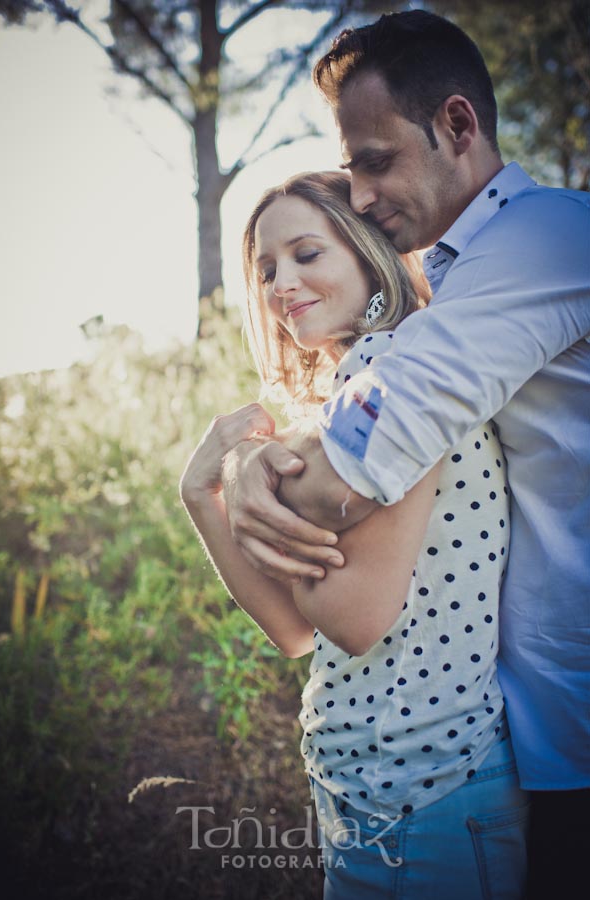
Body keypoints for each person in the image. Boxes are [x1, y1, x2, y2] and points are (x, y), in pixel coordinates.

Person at [218, 11, 590, 900]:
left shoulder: (541, 242)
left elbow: (375, 438)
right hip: (527, 720)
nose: (362, 192)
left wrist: (237, 472)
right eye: (351, 167)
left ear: (457, 127)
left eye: (376, 161)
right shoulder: (467, 269)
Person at [181, 170, 529, 899]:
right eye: (267, 268)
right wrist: (202, 495)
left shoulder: (399, 374)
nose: (282, 283)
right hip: (363, 786)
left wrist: (262, 480)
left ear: (369, 254)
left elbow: (350, 618)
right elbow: (294, 633)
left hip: (426, 793)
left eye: (307, 253)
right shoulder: (353, 391)